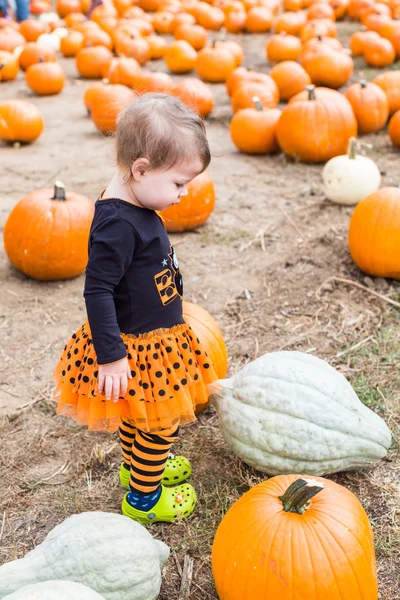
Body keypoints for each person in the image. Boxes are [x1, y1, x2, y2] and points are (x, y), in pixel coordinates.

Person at [53, 93, 219, 524]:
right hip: (137, 348)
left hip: (155, 335)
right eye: (179, 183)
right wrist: (111, 357)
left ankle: (140, 468)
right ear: (140, 169)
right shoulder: (118, 224)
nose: (184, 194)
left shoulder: (135, 196)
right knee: (159, 424)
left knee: (140, 416)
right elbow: (98, 290)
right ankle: (144, 499)